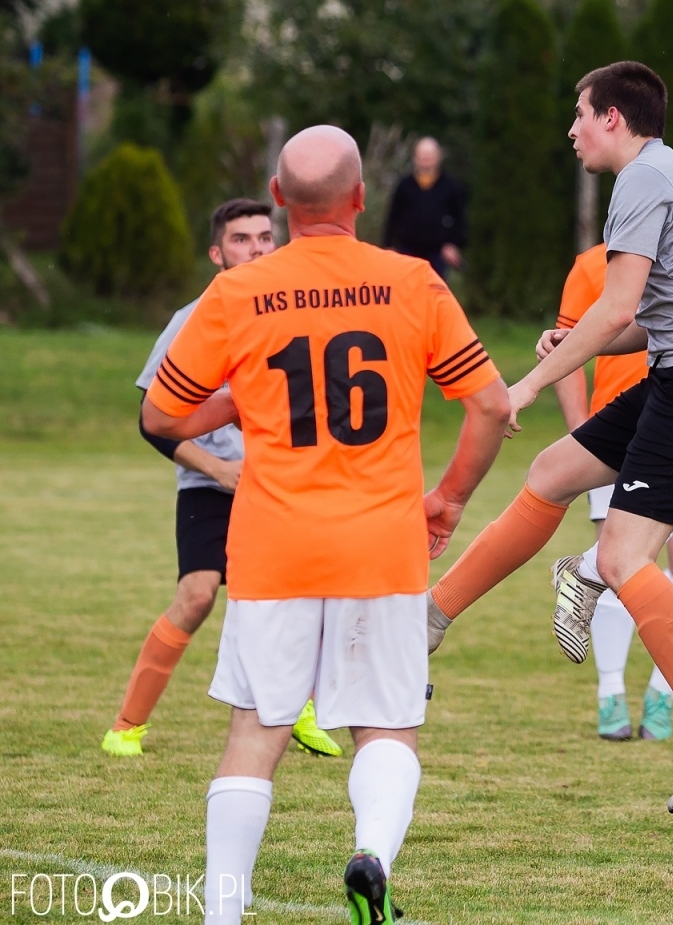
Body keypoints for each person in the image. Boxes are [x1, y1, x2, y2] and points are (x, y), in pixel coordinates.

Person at [141, 125, 510, 924]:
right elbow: (489, 404)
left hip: (273, 544)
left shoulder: (237, 293)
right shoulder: (412, 282)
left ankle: (223, 913)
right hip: (382, 544)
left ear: (278, 200)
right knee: (387, 723)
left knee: (255, 732)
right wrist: (446, 497)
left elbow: (163, 413)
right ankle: (372, 854)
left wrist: (244, 391)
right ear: (362, 199)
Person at [424, 62, 673, 813]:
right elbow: (651, 316)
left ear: (613, 117)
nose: (571, 129)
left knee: (619, 557)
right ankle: (431, 617)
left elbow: (615, 310)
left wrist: (524, 385)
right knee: (551, 472)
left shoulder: (644, 179)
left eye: (579, 113)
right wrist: (579, 340)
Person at [103, 199, 338, 761]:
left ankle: (301, 710)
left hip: (279, 484)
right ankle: (127, 726)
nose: (256, 249)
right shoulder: (192, 319)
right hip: (211, 485)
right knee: (197, 595)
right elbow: (152, 423)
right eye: (241, 240)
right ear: (217, 253)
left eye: (264, 237)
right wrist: (218, 470)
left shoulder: (293, 313)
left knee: (306, 596)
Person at [551, 241, 673, 742]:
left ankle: (663, 691)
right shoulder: (593, 263)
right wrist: (580, 433)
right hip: (620, 430)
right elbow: (567, 345)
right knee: (614, 562)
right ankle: (610, 691)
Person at [383, 137, 467, 279]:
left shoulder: (450, 187)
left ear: (438, 158)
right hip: (407, 250)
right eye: (422, 157)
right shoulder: (404, 185)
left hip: (436, 253)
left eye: (429, 157)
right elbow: (393, 217)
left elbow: (460, 218)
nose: (425, 162)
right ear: (415, 158)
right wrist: (389, 245)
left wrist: (453, 244)